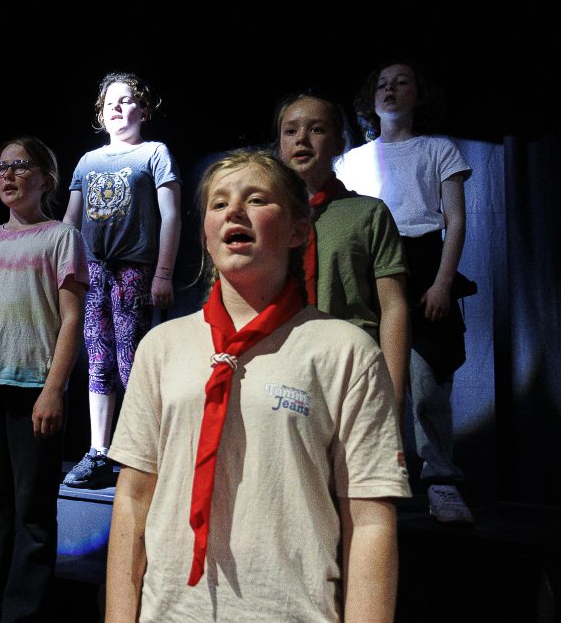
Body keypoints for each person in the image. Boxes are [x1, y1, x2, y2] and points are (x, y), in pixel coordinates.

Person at [105, 151, 410, 621]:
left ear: (298, 231)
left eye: (257, 199)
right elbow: (132, 497)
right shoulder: (161, 347)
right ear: (206, 236)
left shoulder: (345, 351)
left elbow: (370, 520)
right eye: (219, 203)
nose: (234, 212)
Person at [0, 136, 87, 621]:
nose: (7, 175)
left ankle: (23, 614)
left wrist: (53, 390)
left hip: (33, 390)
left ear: (46, 179)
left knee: (32, 509)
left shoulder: (62, 237)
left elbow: (72, 319)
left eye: (21, 165)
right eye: (1, 167)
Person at [337, 60, 475, 524]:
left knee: (427, 379)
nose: (390, 89)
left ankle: (440, 482)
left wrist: (442, 281)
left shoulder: (438, 148)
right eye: (381, 83)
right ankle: (373, 481)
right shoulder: (352, 161)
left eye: (401, 82)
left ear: (418, 93)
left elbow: (455, 220)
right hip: (369, 264)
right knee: (367, 381)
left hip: (422, 263)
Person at [62, 71, 181, 489]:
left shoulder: (154, 153)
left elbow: (171, 215)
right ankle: (99, 450)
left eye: (126, 99)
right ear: (100, 114)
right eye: (109, 101)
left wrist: (163, 273)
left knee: (131, 360)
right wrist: (63, 273)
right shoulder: (87, 161)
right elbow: (70, 222)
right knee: (98, 358)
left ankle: (144, 450)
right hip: (94, 271)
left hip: (135, 269)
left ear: (143, 110)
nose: (116, 106)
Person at [275, 91, 410, 411]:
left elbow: (393, 307)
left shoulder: (368, 213)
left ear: (339, 143)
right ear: (280, 147)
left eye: (316, 129)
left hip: (350, 372)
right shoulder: (268, 219)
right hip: (281, 373)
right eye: (290, 131)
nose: (301, 139)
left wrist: (393, 396)